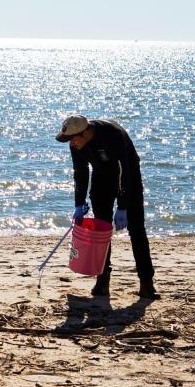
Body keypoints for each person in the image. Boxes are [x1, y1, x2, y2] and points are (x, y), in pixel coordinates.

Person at [56, 114, 159, 299]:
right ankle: (103, 281)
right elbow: (80, 172)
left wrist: (123, 206)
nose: (71, 144)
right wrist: (79, 204)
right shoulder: (76, 143)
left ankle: (146, 283)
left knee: (136, 230)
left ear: (86, 133)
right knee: (101, 232)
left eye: (72, 139)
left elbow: (123, 172)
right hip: (102, 177)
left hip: (129, 177)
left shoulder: (112, 134)